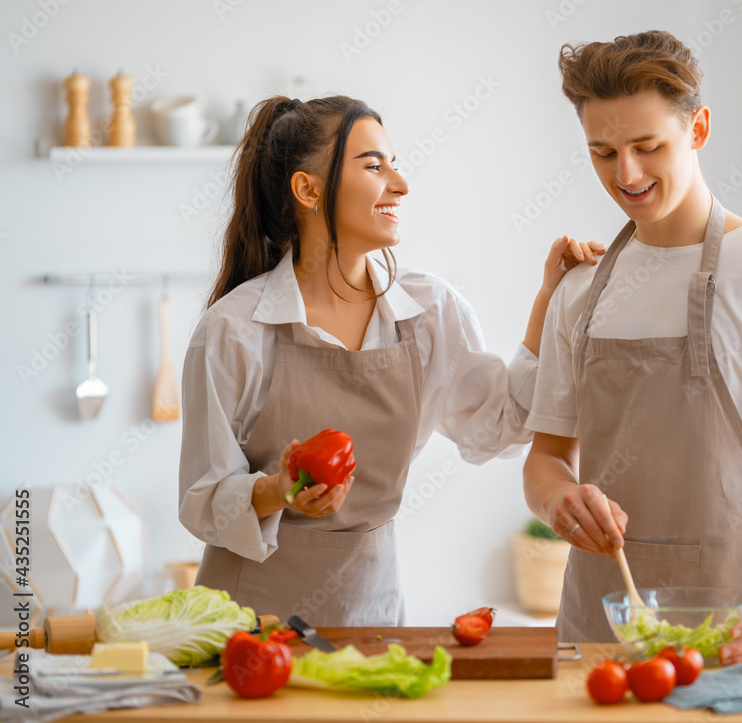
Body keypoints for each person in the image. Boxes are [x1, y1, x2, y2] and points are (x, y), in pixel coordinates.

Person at [179, 95, 604, 626]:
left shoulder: (427, 312)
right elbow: (201, 501)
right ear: (307, 189)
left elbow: (500, 427)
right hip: (248, 626)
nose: (400, 184)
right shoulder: (234, 329)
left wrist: (549, 298)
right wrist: (276, 490)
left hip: (370, 614)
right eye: (374, 166)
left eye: (394, 164)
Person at [523, 30, 742, 663]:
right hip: (599, 639)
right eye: (602, 153)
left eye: (647, 147)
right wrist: (557, 498)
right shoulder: (581, 290)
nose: (625, 174)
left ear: (699, 128)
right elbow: (545, 457)